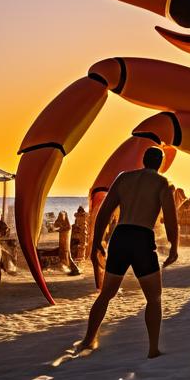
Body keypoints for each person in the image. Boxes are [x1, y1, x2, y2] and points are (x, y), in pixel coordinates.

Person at [77, 147, 178, 357]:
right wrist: (174, 246)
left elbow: (105, 211)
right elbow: (170, 218)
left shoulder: (124, 178)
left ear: (143, 159)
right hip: (142, 238)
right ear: (160, 163)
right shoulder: (162, 183)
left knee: (106, 294)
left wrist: (96, 242)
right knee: (154, 298)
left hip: (121, 236)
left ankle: (88, 339)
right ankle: (153, 349)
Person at [54, 210, 79, 274]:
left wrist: (60, 228)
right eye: (60, 216)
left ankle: (74, 269)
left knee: (67, 255)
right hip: (62, 242)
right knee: (63, 255)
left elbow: (67, 228)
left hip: (66, 242)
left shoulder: (68, 225)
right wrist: (59, 224)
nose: (61, 217)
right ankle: (69, 268)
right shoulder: (61, 221)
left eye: (62, 216)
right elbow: (55, 225)